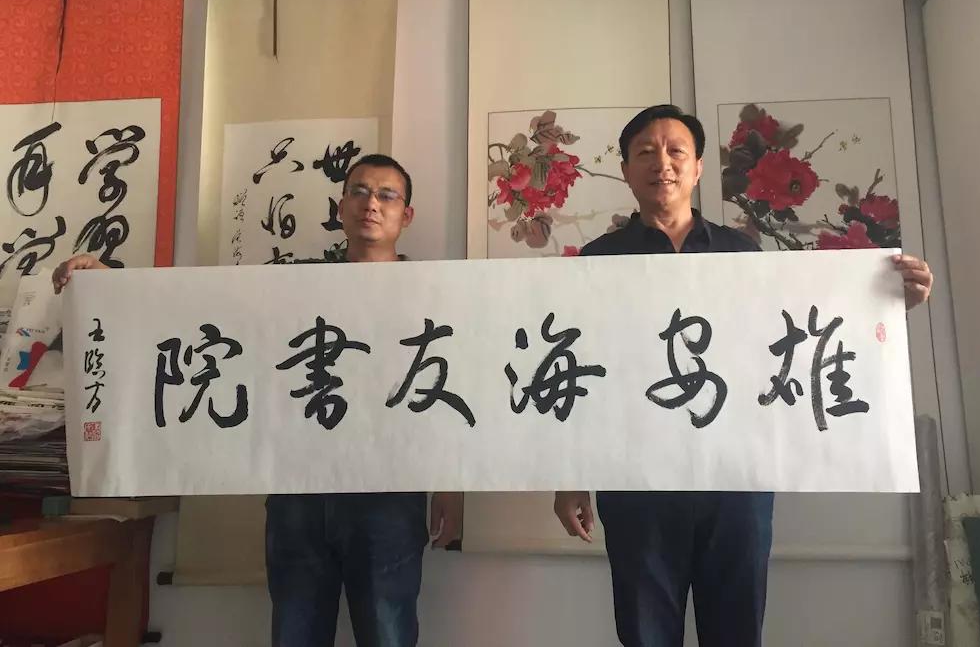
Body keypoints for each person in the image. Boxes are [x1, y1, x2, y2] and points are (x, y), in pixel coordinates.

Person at [552, 104, 935, 647]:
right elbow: (581, 371)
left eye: (676, 151)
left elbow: (797, 336)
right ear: (626, 170)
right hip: (637, 480)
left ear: (698, 167)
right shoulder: (596, 261)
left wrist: (890, 305)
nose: (662, 163)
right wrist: (569, 475)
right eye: (645, 152)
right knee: (644, 631)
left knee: (736, 628)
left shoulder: (742, 253)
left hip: (736, 480)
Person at [54, 154, 462, 647]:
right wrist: (108, 284)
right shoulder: (291, 284)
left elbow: (449, 392)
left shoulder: (431, 294)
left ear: (406, 214)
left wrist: (452, 484)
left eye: (386, 195)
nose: (370, 204)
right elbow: (199, 310)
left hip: (389, 494)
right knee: (295, 632)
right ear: (340, 207)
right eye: (358, 191)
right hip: (298, 489)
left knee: (387, 633)